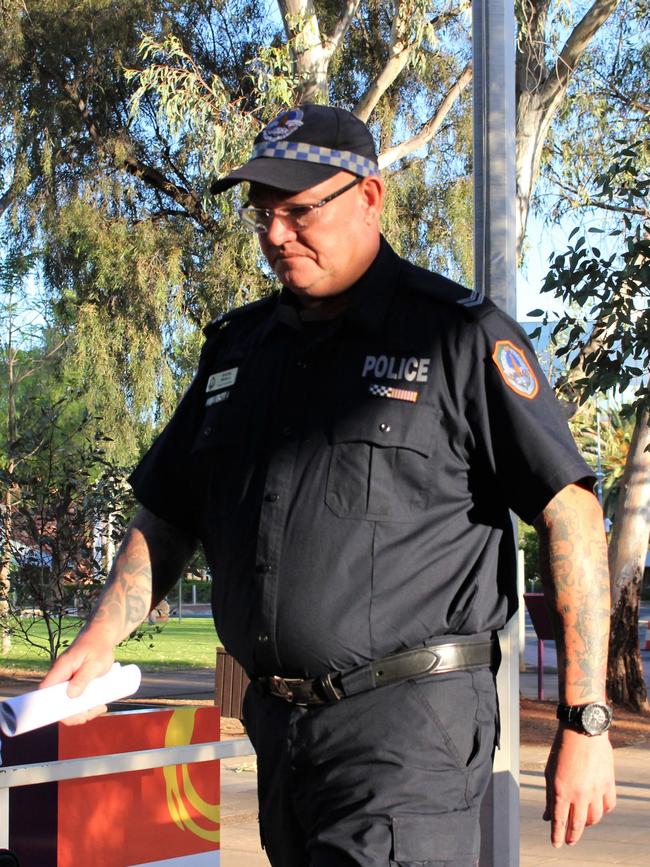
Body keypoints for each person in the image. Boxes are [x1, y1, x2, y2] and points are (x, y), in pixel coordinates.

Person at [41, 104, 616, 866]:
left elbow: (569, 510)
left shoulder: (454, 337)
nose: (276, 234)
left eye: (299, 209)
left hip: (408, 734)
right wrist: (99, 635)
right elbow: (169, 512)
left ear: (370, 198)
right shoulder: (238, 353)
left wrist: (584, 718)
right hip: (281, 733)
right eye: (263, 214)